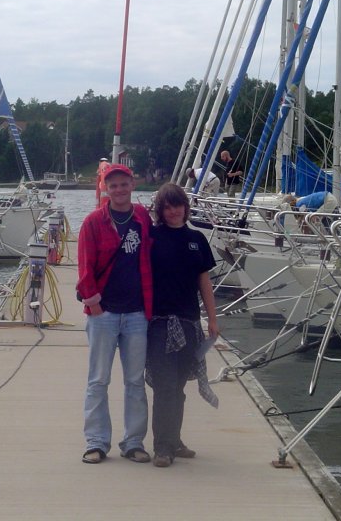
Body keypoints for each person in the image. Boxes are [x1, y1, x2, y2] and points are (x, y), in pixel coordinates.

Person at [77, 163, 153, 465]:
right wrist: (93, 303)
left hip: (136, 313)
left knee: (135, 381)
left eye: (123, 184)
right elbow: (84, 266)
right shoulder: (93, 222)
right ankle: (96, 442)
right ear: (105, 189)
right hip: (104, 314)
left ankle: (133, 442)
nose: (119, 190)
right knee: (98, 380)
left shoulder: (142, 217)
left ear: (132, 185)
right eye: (113, 185)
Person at [147, 183, 219, 468]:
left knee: (178, 387)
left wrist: (212, 319)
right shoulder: (152, 237)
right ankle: (162, 448)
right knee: (164, 385)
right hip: (159, 323)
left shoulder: (196, 239)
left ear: (185, 208)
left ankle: (174, 440)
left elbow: (204, 282)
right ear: (160, 210)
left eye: (177, 205)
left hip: (189, 322)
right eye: (167, 207)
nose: (173, 211)